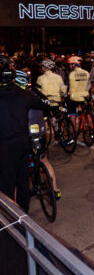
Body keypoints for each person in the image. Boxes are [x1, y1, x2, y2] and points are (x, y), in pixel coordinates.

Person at [0, 63, 49, 212]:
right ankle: (24, 215)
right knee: (23, 182)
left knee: (6, 184)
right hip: (22, 143)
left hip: (3, 146)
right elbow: (44, 105)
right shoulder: (25, 95)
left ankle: (10, 218)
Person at [15, 70, 61, 200]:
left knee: (19, 163)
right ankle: (55, 190)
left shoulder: (15, 94)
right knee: (44, 160)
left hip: (24, 133)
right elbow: (46, 104)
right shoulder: (34, 92)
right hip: (39, 131)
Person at [67, 55, 91, 129]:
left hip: (74, 97)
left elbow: (70, 87)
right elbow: (89, 85)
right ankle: (91, 129)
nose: (69, 66)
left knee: (72, 114)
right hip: (84, 96)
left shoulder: (71, 74)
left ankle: (72, 133)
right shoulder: (87, 73)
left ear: (74, 64)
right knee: (87, 113)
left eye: (70, 64)